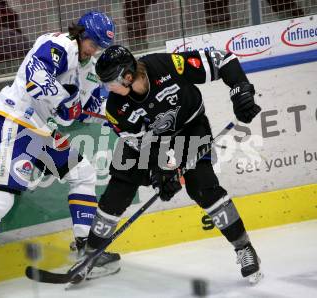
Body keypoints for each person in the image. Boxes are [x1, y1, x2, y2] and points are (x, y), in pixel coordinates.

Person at [0, 11, 120, 297]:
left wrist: (107, 114)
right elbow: (35, 75)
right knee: (0, 198)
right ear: (81, 33)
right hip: (15, 121)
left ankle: (86, 249)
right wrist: (65, 102)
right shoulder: (60, 45)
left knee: (82, 171)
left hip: (38, 131)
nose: (95, 49)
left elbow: (80, 112)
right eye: (93, 42)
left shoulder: (88, 66)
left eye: (99, 45)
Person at [70, 45, 263, 285]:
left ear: (127, 77)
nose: (107, 88)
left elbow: (220, 59)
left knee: (203, 187)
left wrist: (240, 90)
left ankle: (243, 247)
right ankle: (91, 255)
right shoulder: (116, 108)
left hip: (190, 128)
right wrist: (160, 173)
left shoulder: (165, 65)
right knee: (120, 186)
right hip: (150, 142)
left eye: (110, 82)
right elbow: (142, 145)